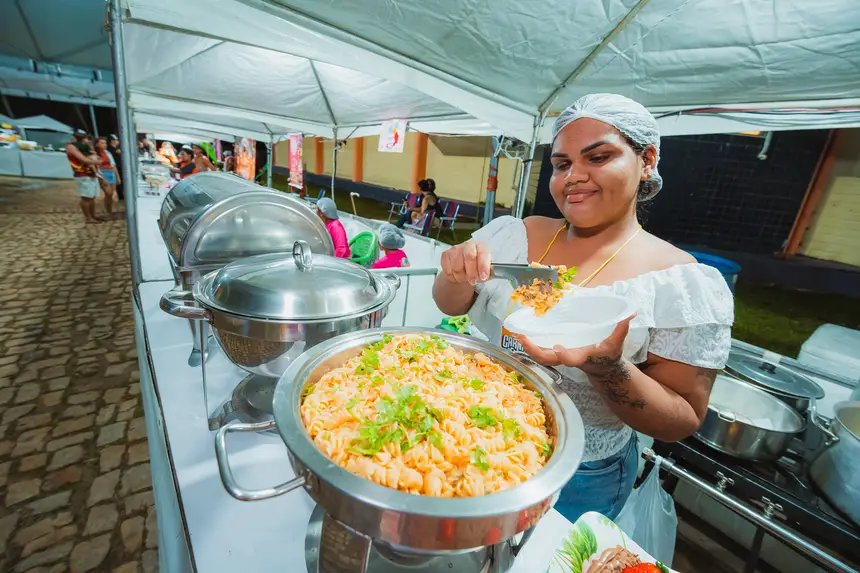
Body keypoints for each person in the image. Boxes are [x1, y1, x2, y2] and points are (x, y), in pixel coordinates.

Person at [432, 93, 734, 523]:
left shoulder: (681, 281)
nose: (574, 177)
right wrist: (454, 273)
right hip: (472, 434)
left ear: (646, 159)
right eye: (561, 164)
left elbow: (681, 419)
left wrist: (608, 367)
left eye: (599, 156)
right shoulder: (518, 233)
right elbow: (452, 303)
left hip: (581, 472)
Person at [66, 130, 103, 224]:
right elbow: (84, 160)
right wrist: (97, 161)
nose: (86, 140)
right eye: (85, 138)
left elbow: (91, 155)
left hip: (90, 173)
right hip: (83, 174)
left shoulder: (82, 146)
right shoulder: (71, 147)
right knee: (86, 197)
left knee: (92, 197)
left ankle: (93, 215)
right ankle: (88, 218)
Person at [95, 137, 120, 218]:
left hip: (111, 173)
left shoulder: (107, 152)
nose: (104, 145)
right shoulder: (95, 154)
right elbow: (96, 168)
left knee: (111, 194)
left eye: (105, 143)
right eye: (102, 143)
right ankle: (108, 211)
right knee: (108, 192)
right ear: (97, 144)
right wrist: (102, 177)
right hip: (103, 173)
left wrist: (117, 176)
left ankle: (109, 210)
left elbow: (113, 165)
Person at [108, 134, 124, 201]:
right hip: (115, 167)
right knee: (118, 181)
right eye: (116, 140)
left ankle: (121, 194)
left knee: (121, 181)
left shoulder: (116, 148)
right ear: (112, 141)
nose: (118, 141)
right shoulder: (110, 148)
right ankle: (120, 195)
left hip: (119, 166)